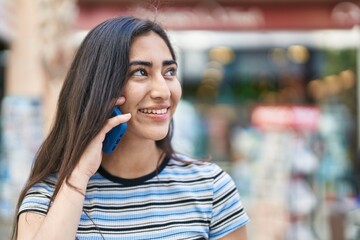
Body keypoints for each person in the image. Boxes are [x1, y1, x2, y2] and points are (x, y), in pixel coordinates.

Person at [12, 16, 249, 240]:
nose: (163, 92)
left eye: (169, 72)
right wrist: (79, 176)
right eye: (140, 72)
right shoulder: (48, 196)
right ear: (102, 88)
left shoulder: (211, 188)